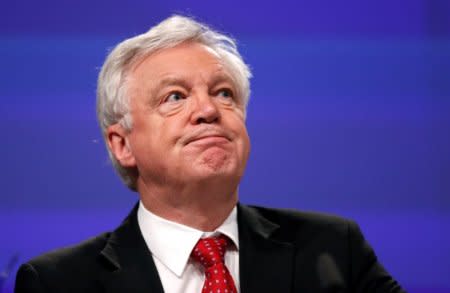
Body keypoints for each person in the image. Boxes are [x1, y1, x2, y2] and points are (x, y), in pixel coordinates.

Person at [15, 15, 405, 293]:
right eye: (175, 97)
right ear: (123, 144)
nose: (208, 110)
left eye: (224, 93)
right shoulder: (58, 282)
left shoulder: (333, 252)